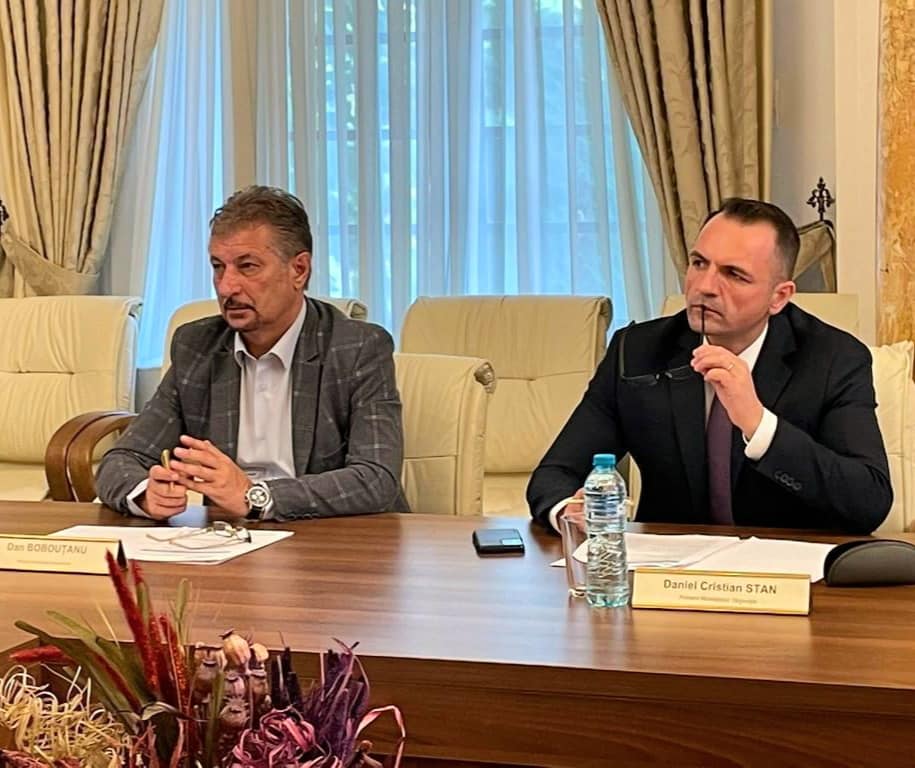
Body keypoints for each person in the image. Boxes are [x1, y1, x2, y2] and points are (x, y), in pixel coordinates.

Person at [528, 198, 892, 535]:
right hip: (666, 571)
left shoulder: (835, 359)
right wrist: (568, 512)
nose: (704, 286)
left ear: (779, 296)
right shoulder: (636, 350)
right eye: (699, 263)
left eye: (734, 274)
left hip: (789, 570)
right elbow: (555, 474)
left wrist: (759, 425)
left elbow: (868, 500)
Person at [96, 185, 408, 521]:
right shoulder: (197, 346)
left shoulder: (358, 348)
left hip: (331, 535)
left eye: (247, 267)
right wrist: (147, 493)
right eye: (218, 266)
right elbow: (121, 460)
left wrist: (255, 497)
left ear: (299, 270)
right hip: (230, 538)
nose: (226, 286)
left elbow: (376, 478)